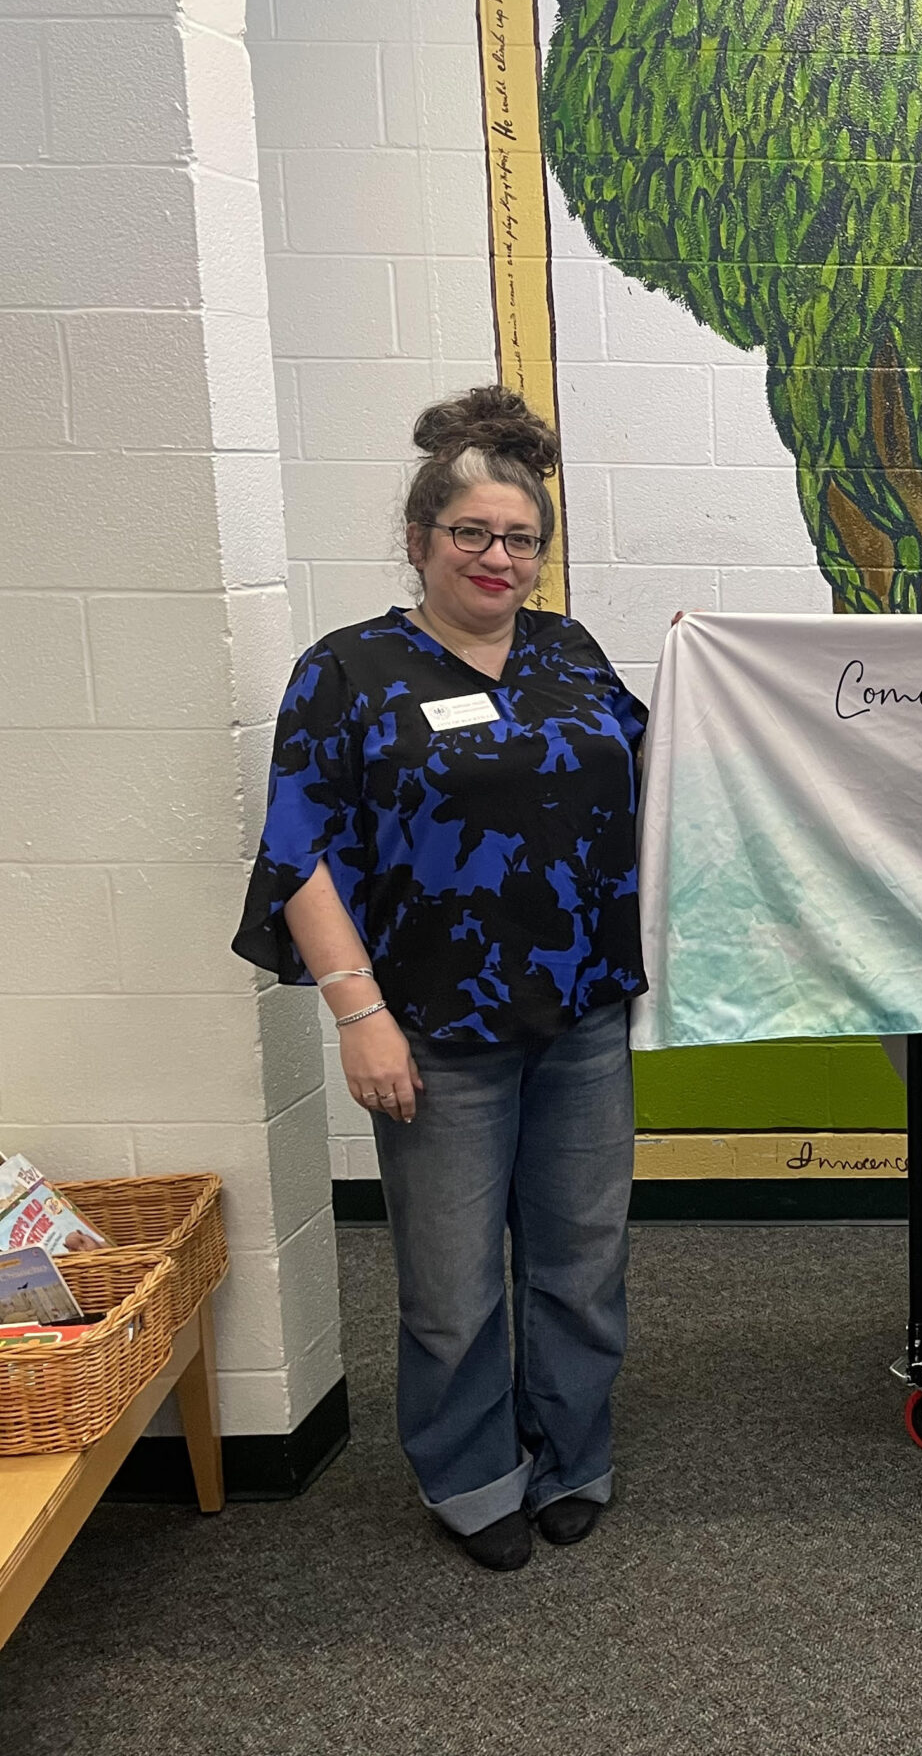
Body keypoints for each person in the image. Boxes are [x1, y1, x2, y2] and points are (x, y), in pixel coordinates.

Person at [234, 388, 648, 1570]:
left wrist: (725, 677)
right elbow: (298, 851)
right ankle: (471, 1475)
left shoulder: (568, 650)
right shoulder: (348, 670)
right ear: (420, 539)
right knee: (453, 1284)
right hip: (434, 1026)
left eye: (521, 539)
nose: (498, 558)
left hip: (581, 1013)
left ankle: (571, 1451)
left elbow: (656, 765)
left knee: (583, 1261)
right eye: (472, 533)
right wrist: (357, 1015)